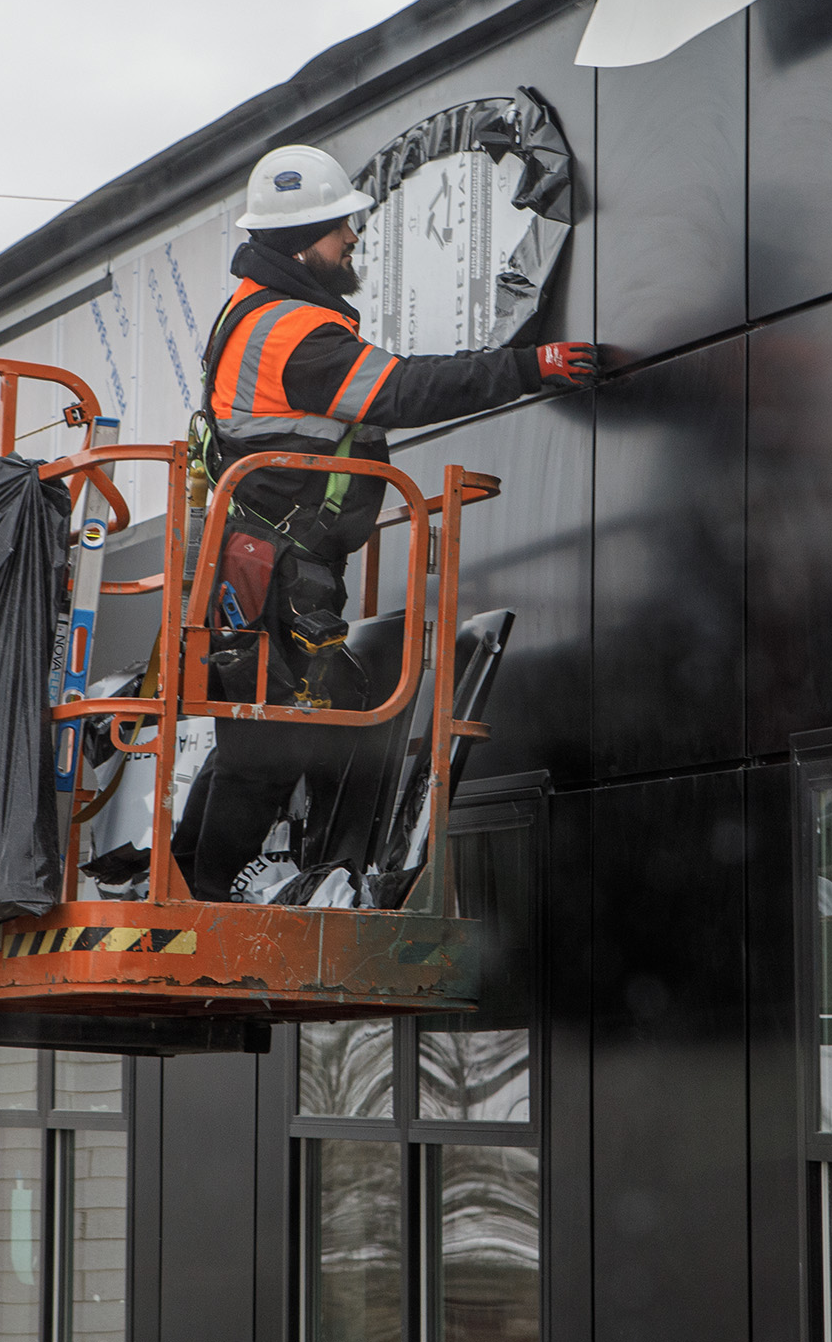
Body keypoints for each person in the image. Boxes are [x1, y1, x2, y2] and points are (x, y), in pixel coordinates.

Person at [179, 143, 596, 899]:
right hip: (280, 566)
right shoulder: (296, 334)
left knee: (263, 725)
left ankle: (194, 883)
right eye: (342, 230)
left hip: (260, 560)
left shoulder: (250, 315)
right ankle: (211, 899)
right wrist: (531, 368)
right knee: (285, 731)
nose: (354, 242)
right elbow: (402, 391)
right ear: (303, 243)